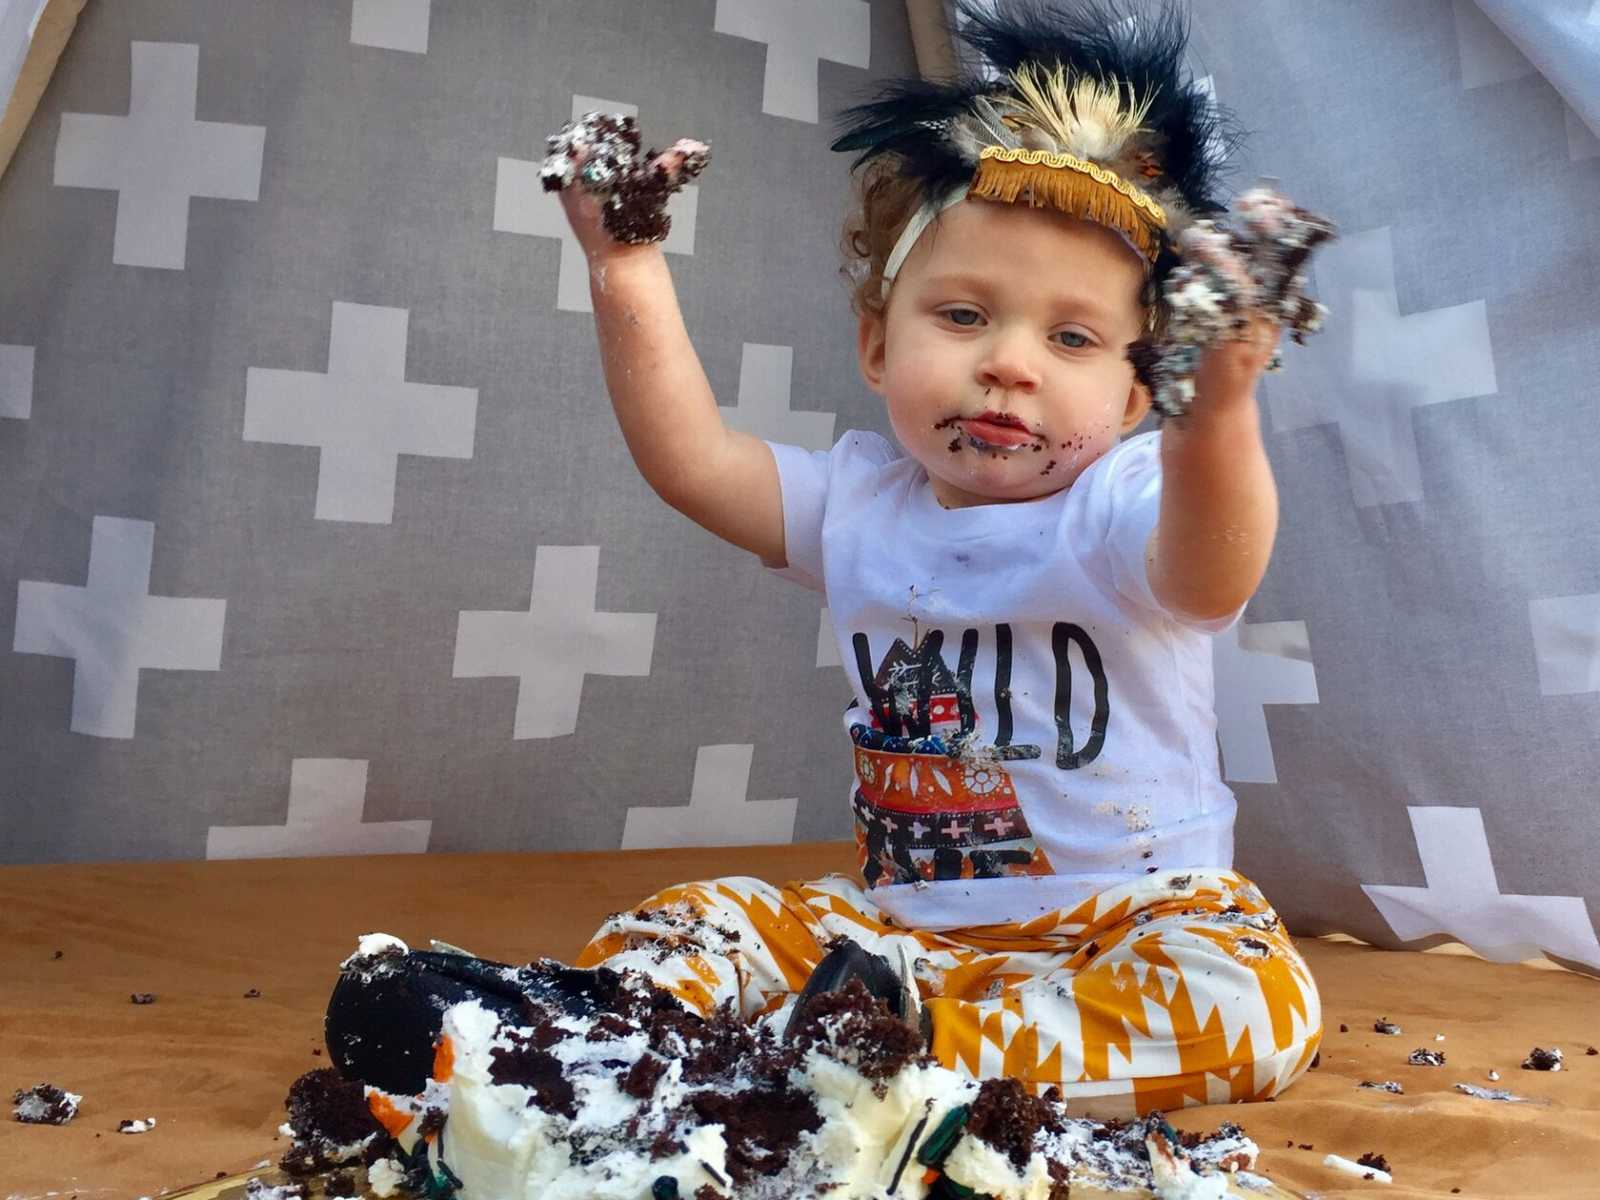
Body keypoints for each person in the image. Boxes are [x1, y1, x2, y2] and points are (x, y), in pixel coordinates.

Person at [327, 0, 1324, 1120]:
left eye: (1072, 339)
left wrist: (1217, 403)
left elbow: (1209, 574)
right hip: (895, 937)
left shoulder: (1127, 498)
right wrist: (626, 265)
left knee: (1252, 1003)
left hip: (1127, 923)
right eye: (961, 315)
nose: (1007, 365)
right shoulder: (861, 505)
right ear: (875, 341)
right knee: (713, 919)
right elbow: (694, 462)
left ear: (1140, 390)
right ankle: (548, 1030)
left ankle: (864, 1056)